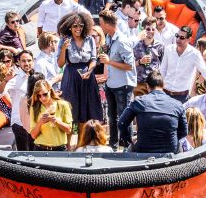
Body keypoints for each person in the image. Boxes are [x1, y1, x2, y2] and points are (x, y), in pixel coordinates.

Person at [119, 70, 186, 153]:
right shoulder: (178, 104)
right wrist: (171, 139)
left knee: (128, 150)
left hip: (143, 150)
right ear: (163, 85)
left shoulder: (138, 102)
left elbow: (122, 123)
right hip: (170, 150)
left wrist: (129, 140)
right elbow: (184, 131)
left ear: (147, 86)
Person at [98, 9, 136, 150]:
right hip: (111, 82)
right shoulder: (109, 38)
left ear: (108, 24)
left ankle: (126, 146)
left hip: (123, 85)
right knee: (112, 116)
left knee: (124, 117)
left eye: (101, 23)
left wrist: (109, 62)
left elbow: (130, 66)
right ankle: (113, 145)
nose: (100, 26)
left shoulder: (122, 41)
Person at [57, 11, 102, 125]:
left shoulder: (89, 39)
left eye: (81, 26)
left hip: (87, 76)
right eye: (75, 26)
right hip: (71, 77)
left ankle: (83, 141)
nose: (78, 28)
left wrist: (90, 70)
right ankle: (68, 143)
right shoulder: (64, 40)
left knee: (88, 113)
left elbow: (93, 59)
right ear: (69, 27)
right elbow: (60, 64)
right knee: (70, 112)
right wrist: (63, 49)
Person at [159, 25, 206, 103]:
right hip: (165, 92)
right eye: (177, 36)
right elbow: (163, 70)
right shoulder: (169, 49)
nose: (178, 39)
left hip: (182, 96)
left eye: (182, 38)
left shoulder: (194, 54)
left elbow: (204, 71)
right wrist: (158, 89)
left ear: (189, 39)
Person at [28, 80, 73, 151]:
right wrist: (40, 123)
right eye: (39, 96)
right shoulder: (34, 108)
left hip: (59, 149)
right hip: (40, 148)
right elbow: (33, 136)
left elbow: (69, 130)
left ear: (50, 91)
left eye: (45, 94)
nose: (42, 98)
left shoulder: (63, 105)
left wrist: (56, 121)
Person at [5, 50, 36, 150]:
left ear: (33, 61)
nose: (27, 63)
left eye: (29, 60)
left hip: (34, 122)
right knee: (24, 154)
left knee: (35, 152)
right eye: (24, 61)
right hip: (20, 124)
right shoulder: (15, 79)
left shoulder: (34, 76)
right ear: (18, 62)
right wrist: (5, 80)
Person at [133, 16, 165, 97]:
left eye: (153, 29)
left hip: (154, 84)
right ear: (143, 29)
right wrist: (140, 61)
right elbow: (129, 65)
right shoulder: (135, 44)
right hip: (139, 83)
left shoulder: (160, 46)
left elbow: (163, 65)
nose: (151, 31)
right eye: (148, 29)